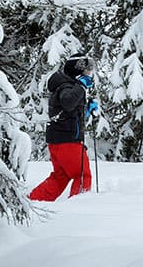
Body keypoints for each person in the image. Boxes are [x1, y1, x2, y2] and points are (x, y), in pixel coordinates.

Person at [29, 53, 99, 201]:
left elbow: (69, 112)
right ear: (77, 69)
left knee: (61, 176)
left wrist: (86, 110)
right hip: (67, 141)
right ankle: (79, 208)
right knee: (82, 175)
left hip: (59, 140)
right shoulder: (66, 86)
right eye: (87, 68)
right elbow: (68, 102)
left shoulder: (65, 85)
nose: (89, 73)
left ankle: (33, 201)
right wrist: (81, 85)